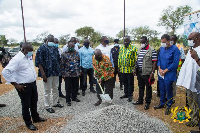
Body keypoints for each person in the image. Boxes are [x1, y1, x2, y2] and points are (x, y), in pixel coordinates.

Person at [2, 43, 46, 130]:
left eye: (32, 50)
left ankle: (36, 118)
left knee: (34, 101)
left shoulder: (27, 56)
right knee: (26, 104)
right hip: (24, 85)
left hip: (32, 83)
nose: (31, 52)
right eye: (29, 50)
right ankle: (28, 123)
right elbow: (5, 72)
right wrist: (16, 84)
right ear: (23, 49)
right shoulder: (17, 59)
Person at [35, 35, 63, 113]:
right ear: (47, 40)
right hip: (47, 73)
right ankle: (47, 105)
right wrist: (43, 74)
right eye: (50, 41)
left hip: (56, 72)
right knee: (47, 90)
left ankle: (55, 102)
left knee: (56, 88)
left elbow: (58, 59)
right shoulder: (41, 48)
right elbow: (39, 62)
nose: (52, 42)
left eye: (52, 41)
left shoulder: (55, 48)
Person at [177, 32, 200, 127]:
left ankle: (196, 120)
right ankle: (192, 116)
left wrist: (197, 58)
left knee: (196, 102)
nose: (189, 41)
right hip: (189, 82)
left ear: (197, 38)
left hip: (197, 82)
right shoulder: (192, 49)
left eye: (191, 39)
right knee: (190, 101)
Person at [154, 34, 180, 115]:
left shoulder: (175, 49)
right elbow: (159, 59)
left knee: (169, 90)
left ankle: (169, 105)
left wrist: (165, 71)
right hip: (161, 73)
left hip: (169, 73)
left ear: (169, 41)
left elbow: (175, 63)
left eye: (164, 42)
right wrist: (159, 68)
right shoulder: (161, 48)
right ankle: (162, 103)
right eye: (162, 42)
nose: (163, 44)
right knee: (162, 89)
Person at [133, 36, 157, 110]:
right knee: (140, 86)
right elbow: (137, 60)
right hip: (139, 72)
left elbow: (154, 62)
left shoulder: (152, 50)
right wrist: (135, 69)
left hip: (147, 72)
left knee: (148, 87)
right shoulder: (139, 49)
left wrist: (152, 73)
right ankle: (140, 100)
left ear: (147, 42)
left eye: (143, 42)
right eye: (141, 42)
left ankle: (147, 102)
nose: (142, 44)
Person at [61, 41, 81, 106]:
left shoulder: (77, 53)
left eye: (72, 46)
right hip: (67, 74)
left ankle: (74, 97)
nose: (71, 47)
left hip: (75, 73)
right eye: (70, 46)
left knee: (75, 86)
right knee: (68, 88)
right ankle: (68, 100)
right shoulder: (64, 54)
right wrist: (63, 74)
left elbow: (79, 62)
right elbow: (62, 64)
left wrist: (80, 71)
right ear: (68, 46)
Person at [118, 36, 138, 102]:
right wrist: (119, 66)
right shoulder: (121, 48)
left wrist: (135, 69)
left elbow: (136, 59)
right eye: (124, 41)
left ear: (130, 41)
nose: (126, 42)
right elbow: (119, 58)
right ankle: (126, 93)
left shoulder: (133, 48)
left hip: (130, 69)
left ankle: (130, 95)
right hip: (123, 69)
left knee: (130, 83)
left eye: (127, 41)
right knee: (125, 82)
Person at [170, 35, 186, 103]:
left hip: (176, 69)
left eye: (172, 40)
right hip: (168, 68)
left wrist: (180, 69)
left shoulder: (179, 47)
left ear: (175, 40)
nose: (170, 41)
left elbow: (182, 58)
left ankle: (172, 98)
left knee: (173, 84)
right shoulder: (168, 46)